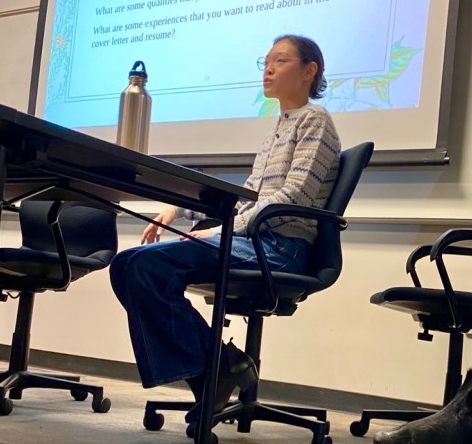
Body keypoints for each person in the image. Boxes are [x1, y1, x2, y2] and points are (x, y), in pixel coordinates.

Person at [110, 34, 341, 413]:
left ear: (309, 71)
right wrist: (180, 210)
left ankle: (216, 369)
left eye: (281, 60)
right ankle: (216, 367)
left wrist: (220, 231)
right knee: (126, 264)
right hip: (255, 243)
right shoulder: (277, 130)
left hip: (282, 250)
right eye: (265, 61)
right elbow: (250, 199)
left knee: (146, 265)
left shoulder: (315, 121)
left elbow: (295, 196)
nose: (268, 69)